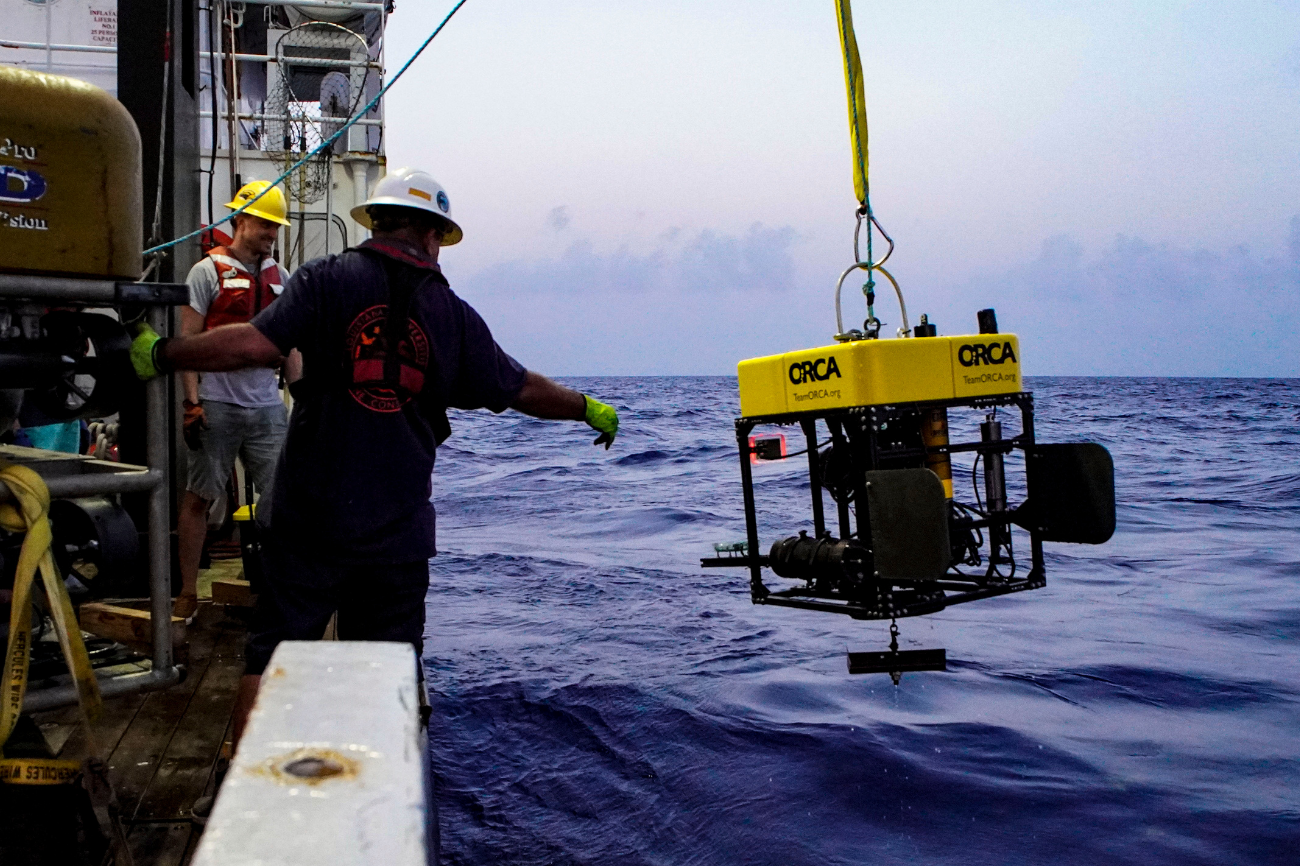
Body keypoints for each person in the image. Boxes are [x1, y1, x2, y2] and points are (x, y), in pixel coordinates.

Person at [130, 167, 619, 744]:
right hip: (397, 527)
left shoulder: (322, 281)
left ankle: (239, 779)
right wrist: (585, 406)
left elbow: (252, 343)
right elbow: (519, 389)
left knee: (271, 651)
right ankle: (389, 795)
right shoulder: (452, 314)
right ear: (435, 236)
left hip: (309, 513)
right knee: (391, 661)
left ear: (377, 222)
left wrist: (166, 352)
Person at [172, 180, 300, 621]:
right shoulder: (205, 273)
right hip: (217, 402)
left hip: (267, 406)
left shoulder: (280, 279)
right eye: (265, 224)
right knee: (199, 497)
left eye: (275, 227)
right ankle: (187, 591)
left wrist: (300, 399)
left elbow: (293, 347)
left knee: (284, 496)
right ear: (240, 219)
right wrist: (193, 403)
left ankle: (279, 584)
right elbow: (187, 342)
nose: (271, 234)